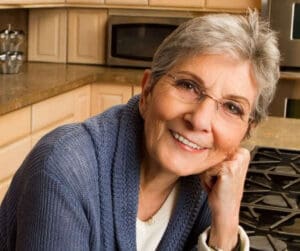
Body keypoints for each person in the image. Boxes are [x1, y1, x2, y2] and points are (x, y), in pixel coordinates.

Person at [0, 10, 280, 251]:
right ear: (147, 91)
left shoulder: (212, 181)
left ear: (245, 133)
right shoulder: (64, 169)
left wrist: (226, 224)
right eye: (188, 86)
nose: (200, 120)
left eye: (232, 108)